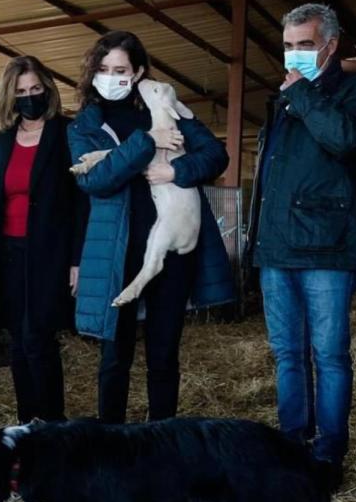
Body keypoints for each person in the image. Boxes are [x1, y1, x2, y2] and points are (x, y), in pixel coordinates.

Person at [245, 3, 356, 490]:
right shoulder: (282, 100)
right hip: (278, 246)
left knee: (329, 355)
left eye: (304, 45)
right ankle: (291, 445)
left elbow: (345, 139)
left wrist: (303, 92)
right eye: (288, 46)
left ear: (331, 44)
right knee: (287, 354)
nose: (294, 54)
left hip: (328, 246)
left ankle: (327, 455)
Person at [68, 31, 234, 424]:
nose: (111, 77)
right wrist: (147, 141)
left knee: (163, 352)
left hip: (173, 249)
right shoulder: (84, 126)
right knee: (115, 355)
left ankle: (162, 437)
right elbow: (96, 180)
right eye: (104, 69)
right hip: (117, 248)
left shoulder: (168, 108)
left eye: (120, 69)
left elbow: (216, 155)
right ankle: (110, 440)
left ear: (138, 71)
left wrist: (176, 168)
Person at [0, 56, 87, 424]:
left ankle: (52, 425)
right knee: (17, 343)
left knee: (37, 339)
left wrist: (77, 259)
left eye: (35, 90)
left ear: (48, 89)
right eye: (21, 92)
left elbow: (79, 201)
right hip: (9, 254)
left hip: (49, 254)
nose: (29, 98)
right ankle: (28, 425)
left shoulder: (67, 135)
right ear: (10, 98)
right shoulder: (1, 142)